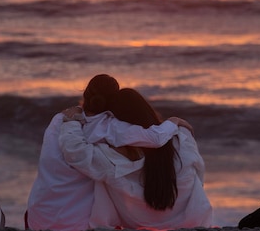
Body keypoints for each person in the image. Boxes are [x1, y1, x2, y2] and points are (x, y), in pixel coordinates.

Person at [26, 74, 191, 231]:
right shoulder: (108, 126)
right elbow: (155, 139)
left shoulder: (60, 119)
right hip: (74, 223)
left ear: (86, 94)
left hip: (39, 216)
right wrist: (172, 122)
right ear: (114, 101)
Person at [58, 87, 213, 230]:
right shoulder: (181, 138)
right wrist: (173, 122)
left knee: (95, 174)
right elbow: (199, 177)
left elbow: (75, 151)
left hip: (137, 222)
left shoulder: (111, 157)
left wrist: (71, 122)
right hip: (193, 220)